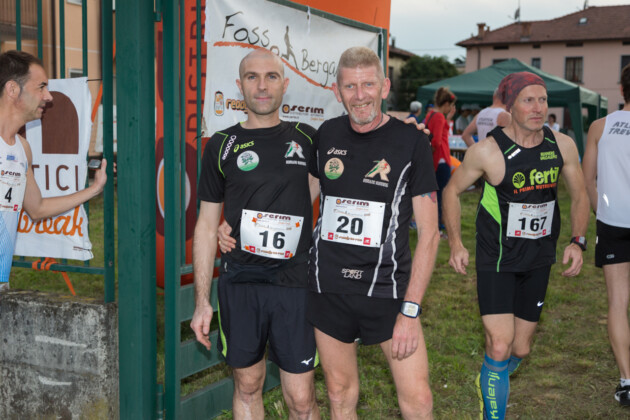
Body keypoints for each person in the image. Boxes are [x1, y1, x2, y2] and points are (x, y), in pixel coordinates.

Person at [442, 71, 589, 420]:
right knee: (499, 344)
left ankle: (491, 376)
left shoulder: (562, 145)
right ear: (510, 106)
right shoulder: (487, 151)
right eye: (528, 100)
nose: (538, 108)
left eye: (543, 100)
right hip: (497, 258)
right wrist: (456, 244)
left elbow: (580, 195)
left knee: (519, 348)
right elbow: (451, 191)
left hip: (538, 257)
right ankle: (494, 405)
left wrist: (577, 241)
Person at [307, 46, 439, 420]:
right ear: (337, 91)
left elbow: (429, 234)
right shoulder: (327, 134)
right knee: (339, 394)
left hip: (387, 289)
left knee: (418, 400)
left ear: (384, 86)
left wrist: (410, 310)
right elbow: (301, 200)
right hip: (329, 285)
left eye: (368, 84)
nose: (360, 95)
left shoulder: (411, 141)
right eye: (350, 86)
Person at [190, 49, 320, 420]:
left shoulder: (307, 138)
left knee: (301, 398)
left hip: (295, 284)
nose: (262, 86)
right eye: (252, 77)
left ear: (285, 84)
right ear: (239, 85)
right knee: (247, 385)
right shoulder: (221, 145)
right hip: (241, 283)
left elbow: (342, 166)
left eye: (271, 76)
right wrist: (201, 302)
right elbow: (206, 225)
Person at [0, 50, 107, 291]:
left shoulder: (22, 148)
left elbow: (37, 209)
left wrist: (94, 189)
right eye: (41, 87)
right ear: (12, 89)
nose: (48, 96)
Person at [582, 63, 630, 406]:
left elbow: (587, 180)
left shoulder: (601, 126)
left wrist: (603, 211)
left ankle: (627, 380)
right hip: (613, 221)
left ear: (622, 89)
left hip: (613, 222)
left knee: (617, 303)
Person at [424, 87, 456, 235]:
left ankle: (436, 226)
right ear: (446, 104)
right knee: (441, 196)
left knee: (435, 195)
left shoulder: (431, 114)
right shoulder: (439, 117)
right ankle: (437, 228)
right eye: (450, 105)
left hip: (435, 161)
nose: (450, 108)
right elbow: (436, 141)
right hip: (441, 160)